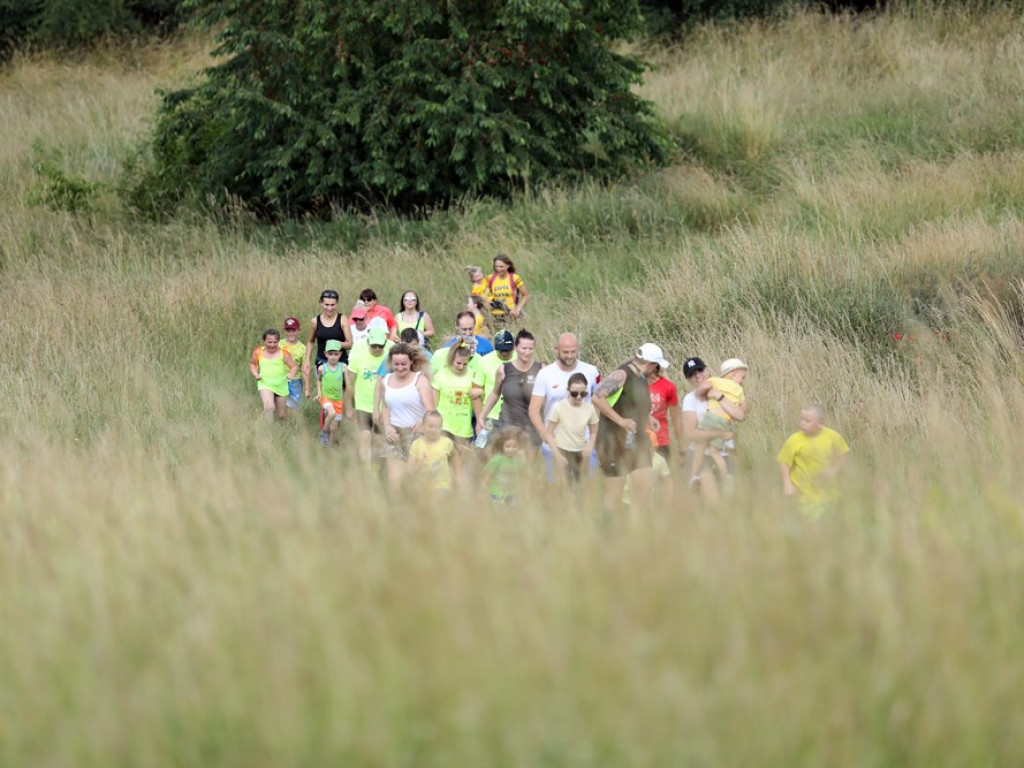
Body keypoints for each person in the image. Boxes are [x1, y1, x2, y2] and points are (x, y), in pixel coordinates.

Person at [592, 343, 670, 508]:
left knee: (645, 485)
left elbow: (629, 401)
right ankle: (608, 529)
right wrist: (621, 420)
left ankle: (636, 526)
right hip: (613, 440)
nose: (657, 370)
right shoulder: (622, 374)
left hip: (637, 438)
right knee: (615, 493)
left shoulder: (641, 376)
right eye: (656, 366)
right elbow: (597, 397)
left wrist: (647, 417)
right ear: (649, 363)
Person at [528, 333, 601, 478]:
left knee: (588, 491)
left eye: (573, 351)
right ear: (557, 349)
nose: (569, 356)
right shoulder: (545, 374)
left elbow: (598, 403)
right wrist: (544, 433)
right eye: (565, 352)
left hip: (584, 444)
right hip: (555, 445)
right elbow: (534, 409)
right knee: (557, 493)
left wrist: (594, 434)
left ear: (578, 348)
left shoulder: (591, 371)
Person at [375, 343, 434, 487]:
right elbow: (386, 407)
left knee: (416, 480)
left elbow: (430, 410)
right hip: (394, 433)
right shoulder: (386, 381)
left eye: (403, 364)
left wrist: (422, 423)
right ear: (391, 363)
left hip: (415, 434)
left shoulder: (420, 380)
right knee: (395, 481)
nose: (400, 368)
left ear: (411, 362)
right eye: (396, 364)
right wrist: (387, 426)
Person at [777, 403, 850, 516]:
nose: (803, 423)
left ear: (820, 423)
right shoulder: (794, 440)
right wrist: (787, 484)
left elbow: (841, 456)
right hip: (803, 497)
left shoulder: (833, 437)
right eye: (801, 419)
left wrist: (833, 471)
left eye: (808, 421)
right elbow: (783, 462)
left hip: (829, 495)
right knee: (813, 528)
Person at [680, 357, 734, 501]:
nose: (698, 376)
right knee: (712, 501)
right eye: (692, 374)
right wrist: (720, 433)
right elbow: (691, 433)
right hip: (701, 455)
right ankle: (694, 476)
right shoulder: (690, 399)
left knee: (729, 501)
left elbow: (739, 414)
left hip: (725, 453)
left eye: (700, 370)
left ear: (707, 369)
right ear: (688, 379)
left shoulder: (725, 390)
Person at [689, 358, 749, 488]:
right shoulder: (739, 390)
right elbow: (742, 410)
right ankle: (726, 476)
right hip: (724, 422)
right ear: (733, 373)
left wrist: (705, 393)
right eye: (742, 377)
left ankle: (694, 475)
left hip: (711, 418)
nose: (743, 381)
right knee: (714, 451)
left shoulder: (716, 381)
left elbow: (704, 387)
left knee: (700, 446)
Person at [481, 330, 542, 448]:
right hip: (508, 424)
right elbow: (495, 393)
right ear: (515, 348)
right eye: (524, 348)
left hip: (531, 426)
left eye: (531, 349)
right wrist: (483, 416)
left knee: (530, 464)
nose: (527, 352)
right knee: (508, 463)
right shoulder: (503, 369)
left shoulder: (540, 370)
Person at [345, 326, 393, 463]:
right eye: (374, 346)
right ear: (369, 343)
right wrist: (349, 407)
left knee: (379, 440)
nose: (378, 349)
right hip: (363, 404)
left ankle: (376, 467)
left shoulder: (391, 355)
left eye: (380, 346)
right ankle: (367, 471)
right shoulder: (358, 357)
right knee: (365, 437)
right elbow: (350, 384)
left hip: (383, 405)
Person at [542, 372, 599, 483]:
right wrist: (558, 455)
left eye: (583, 394)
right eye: (574, 393)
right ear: (568, 390)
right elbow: (549, 433)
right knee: (563, 486)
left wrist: (590, 446)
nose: (578, 397)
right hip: (562, 451)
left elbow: (594, 431)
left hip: (581, 453)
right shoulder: (559, 407)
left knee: (581, 486)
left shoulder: (590, 409)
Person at [432, 343, 484, 445]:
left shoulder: (473, 375)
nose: (461, 367)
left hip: (463, 428)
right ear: (452, 360)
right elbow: (434, 404)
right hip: (443, 427)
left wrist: (479, 422)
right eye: (458, 363)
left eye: (465, 364)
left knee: (461, 459)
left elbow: (478, 402)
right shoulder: (440, 376)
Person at [250, 329, 298, 421]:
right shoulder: (258, 352)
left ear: (278, 341)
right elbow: (253, 364)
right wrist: (255, 374)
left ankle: (283, 432)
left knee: (282, 416)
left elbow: (294, 366)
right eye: (269, 342)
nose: (272, 345)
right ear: (264, 341)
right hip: (265, 384)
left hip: (281, 385)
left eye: (275, 342)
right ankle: (265, 430)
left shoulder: (284, 353)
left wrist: (291, 374)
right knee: (269, 407)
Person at [409, 411, 459, 493]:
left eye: (437, 427)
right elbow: (410, 470)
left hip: (443, 487)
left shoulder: (446, 442)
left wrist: (458, 475)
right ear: (423, 425)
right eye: (430, 426)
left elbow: (455, 456)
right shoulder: (416, 444)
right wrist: (420, 463)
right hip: (422, 489)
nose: (434, 430)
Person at [305, 289, 352, 376]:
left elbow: (349, 344)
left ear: (337, 303)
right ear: (321, 303)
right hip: (322, 362)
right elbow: (310, 341)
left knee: (342, 389)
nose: (329, 308)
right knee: (323, 388)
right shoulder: (315, 321)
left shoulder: (342, 319)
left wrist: (336, 343)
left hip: (341, 362)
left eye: (332, 305)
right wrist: (307, 360)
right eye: (326, 305)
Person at [648, 363, 682, 461]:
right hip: (639, 440)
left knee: (665, 475)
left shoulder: (668, 387)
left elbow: (676, 420)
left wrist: (682, 449)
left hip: (661, 440)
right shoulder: (634, 384)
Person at [484, 427, 527, 505]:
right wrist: (481, 491)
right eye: (507, 447)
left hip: (513, 493)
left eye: (514, 447)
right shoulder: (497, 459)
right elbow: (488, 475)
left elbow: (526, 475)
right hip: (497, 493)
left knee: (512, 513)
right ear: (502, 446)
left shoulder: (520, 460)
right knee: (500, 514)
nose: (511, 449)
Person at [316, 339, 346, 446]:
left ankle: (331, 447)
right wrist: (319, 393)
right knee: (331, 413)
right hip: (326, 398)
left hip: (338, 399)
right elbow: (319, 380)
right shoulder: (322, 368)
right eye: (330, 354)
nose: (333, 356)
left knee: (334, 429)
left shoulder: (343, 367)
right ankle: (324, 433)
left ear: (340, 354)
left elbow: (348, 382)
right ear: (326, 354)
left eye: (336, 354)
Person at [485, 253, 529, 324]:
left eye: (501, 267)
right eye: (496, 266)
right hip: (495, 315)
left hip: (510, 314)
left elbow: (526, 296)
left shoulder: (514, 278)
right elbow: (486, 295)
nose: (498, 269)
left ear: (508, 265)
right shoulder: (490, 278)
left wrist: (518, 309)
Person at [280, 317, 309, 410]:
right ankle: (281, 423)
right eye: (288, 330)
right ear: (285, 331)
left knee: (294, 406)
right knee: (281, 403)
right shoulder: (279, 344)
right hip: (281, 378)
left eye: (293, 330)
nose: (291, 333)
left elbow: (305, 368)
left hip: (296, 381)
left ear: (298, 331)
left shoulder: (302, 348)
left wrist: (307, 387)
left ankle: (294, 423)